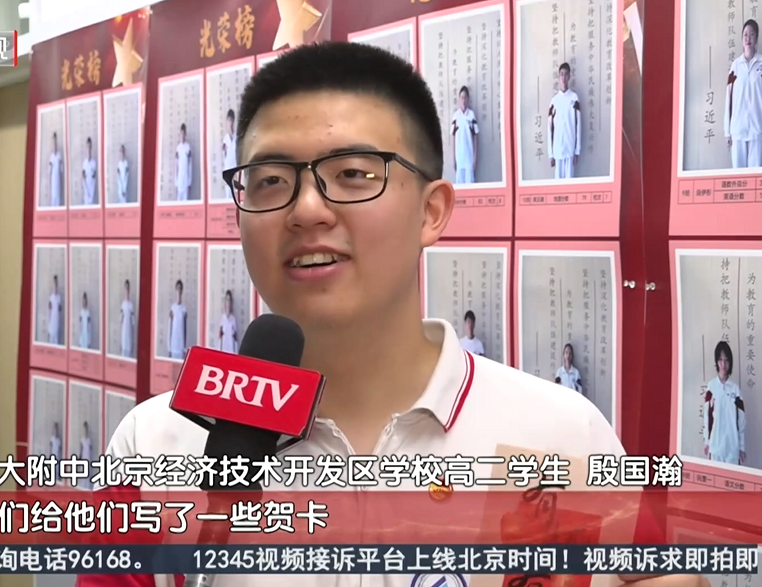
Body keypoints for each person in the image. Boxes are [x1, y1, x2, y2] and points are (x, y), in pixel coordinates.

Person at [82, 42, 693, 587]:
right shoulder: (154, 444)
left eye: (352, 174)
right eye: (270, 181)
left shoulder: (561, 435)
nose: (307, 210)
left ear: (432, 212)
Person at [725, 19, 762, 169]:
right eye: (745, 34)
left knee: (755, 176)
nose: (748, 38)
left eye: (752, 34)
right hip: (737, 131)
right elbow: (728, 99)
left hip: (757, 130)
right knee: (738, 176)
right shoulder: (735, 66)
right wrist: (727, 131)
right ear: (741, 39)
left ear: (756, 39)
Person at [703, 341, 747, 465]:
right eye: (720, 360)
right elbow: (707, 417)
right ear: (716, 362)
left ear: (730, 363)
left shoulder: (736, 390)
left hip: (733, 449)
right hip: (715, 448)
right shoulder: (711, 387)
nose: (723, 364)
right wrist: (707, 441)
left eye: (726, 360)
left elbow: (741, 421)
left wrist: (742, 447)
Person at [548, 62, 581, 179]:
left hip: (570, 150)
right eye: (561, 74)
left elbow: (578, 125)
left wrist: (577, 151)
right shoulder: (554, 101)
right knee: (558, 185)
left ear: (569, 77)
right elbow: (549, 128)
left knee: (570, 184)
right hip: (557, 150)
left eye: (566, 74)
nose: (563, 77)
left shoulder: (574, 98)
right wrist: (551, 153)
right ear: (558, 77)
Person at [451, 86, 478, 185]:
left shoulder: (471, 115)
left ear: (468, 99)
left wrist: (475, 158)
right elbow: (453, 137)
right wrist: (453, 159)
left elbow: (475, 137)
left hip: (469, 158)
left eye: (465, 97)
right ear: (459, 99)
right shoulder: (456, 116)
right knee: (460, 186)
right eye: (461, 98)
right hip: (459, 158)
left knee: (470, 185)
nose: (463, 100)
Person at [167, 279, 187, 359]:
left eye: (180, 288)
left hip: (181, 348)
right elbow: (170, 329)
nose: (179, 290)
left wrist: (184, 349)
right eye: (177, 288)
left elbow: (185, 330)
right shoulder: (172, 308)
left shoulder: (184, 309)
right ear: (176, 290)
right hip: (173, 346)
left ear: (182, 291)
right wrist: (169, 349)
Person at [222, 109, 238, 198]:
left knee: (235, 198)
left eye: (231, 120)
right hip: (227, 173)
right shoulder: (225, 140)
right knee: (228, 197)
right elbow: (224, 158)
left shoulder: (237, 139)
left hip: (235, 172)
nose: (230, 123)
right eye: (228, 120)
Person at [175, 123, 193, 201]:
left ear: (185, 135)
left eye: (183, 134)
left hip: (186, 179)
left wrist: (189, 181)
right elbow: (176, 165)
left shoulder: (188, 147)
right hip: (179, 178)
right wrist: (176, 181)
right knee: (178, 201)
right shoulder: (178, 148)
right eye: (181, 134)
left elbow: (190, 165)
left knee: (185, 201)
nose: (182, 136)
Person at [120, 280, 135, 358]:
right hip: (124, 332)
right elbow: (120, 320)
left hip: (129, 332)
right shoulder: (123, 304)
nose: (127, 290)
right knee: (123, 352)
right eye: (126, 288)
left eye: (128, 288)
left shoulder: (131, 305)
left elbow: (133, 322)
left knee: (129, 353)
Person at [48, 132, 64, 207]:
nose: (54, 145)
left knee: (58, 195)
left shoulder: (59, 156)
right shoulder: (51, 157)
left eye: (55, 142)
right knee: (53, 195)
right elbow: (49, 171)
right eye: (53, 142)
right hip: (53, 180)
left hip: (58, 180)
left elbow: (61, 170)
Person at [81, 137, 98, 206]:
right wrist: (87, 194)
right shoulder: (84, 164)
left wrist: (91, 195)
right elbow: (83, 179)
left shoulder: (94, 163)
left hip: (92, 194)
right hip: (86, 195)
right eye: (88, 147)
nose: (89, 149)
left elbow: (94, 180)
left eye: (90, 147)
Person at [48, 275, 63, 345]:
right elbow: (49, 312)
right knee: (51, 342)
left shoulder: (59, 298)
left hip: (57, 324)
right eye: (54, 283)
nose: (55, 285)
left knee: (56, 342)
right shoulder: (51, 298)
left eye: (56, 283)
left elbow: (60, 310)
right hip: (51, 325)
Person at [80, 421, 93, 488]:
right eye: (84, 430)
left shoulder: (89, 440)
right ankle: (83, 487)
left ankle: (87, 487)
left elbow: (91, 448)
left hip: (88, 459)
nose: (85, 432)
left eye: (86, 430)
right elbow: (81, 449)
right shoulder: (82, 440)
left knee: (87, 474)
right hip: (83, 459)